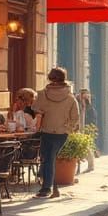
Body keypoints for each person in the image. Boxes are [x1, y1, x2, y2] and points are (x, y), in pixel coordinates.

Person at [33, 67, 81, 199]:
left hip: (46, 131)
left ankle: (46, 188)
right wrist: (67, 128)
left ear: (50, 77)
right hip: (61, 133)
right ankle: (50, 186)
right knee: (49, 158)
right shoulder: (71, 98)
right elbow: (75, 117)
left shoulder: (42, 94)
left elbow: (36, 109)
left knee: (47, 158)